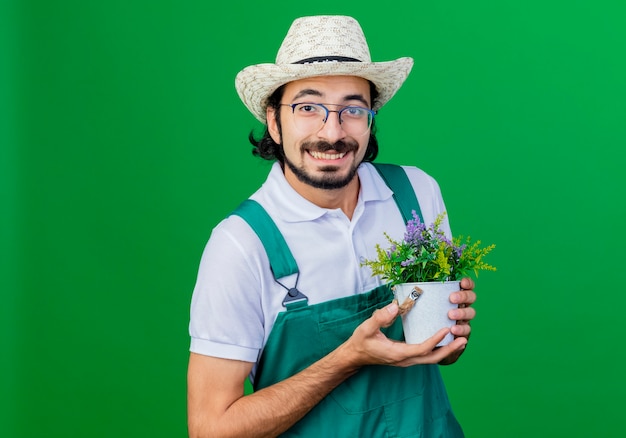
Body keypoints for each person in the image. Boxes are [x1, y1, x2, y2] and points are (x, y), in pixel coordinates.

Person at [187, 15, 476, 437]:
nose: (333, 131)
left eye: (352, 109)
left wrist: (448, 334)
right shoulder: (242, 244)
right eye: (308, 107)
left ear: (371, 118)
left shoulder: (417, 193)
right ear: (273, 120)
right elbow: (211, 429)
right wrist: (348, 357)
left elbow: (440, 350)